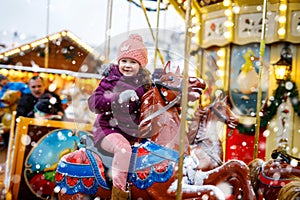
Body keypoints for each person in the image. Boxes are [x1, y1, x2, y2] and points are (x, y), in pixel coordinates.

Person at [88, 34, 152, 199]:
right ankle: (118, 195)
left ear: (141, 65)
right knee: (123, 150)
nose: (127, 65)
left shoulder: (145, 85)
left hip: (133, 134)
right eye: (124, 61)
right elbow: (94, 103)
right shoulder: (110, 80)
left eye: (133, 62)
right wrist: (117, 98)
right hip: (108, 130)